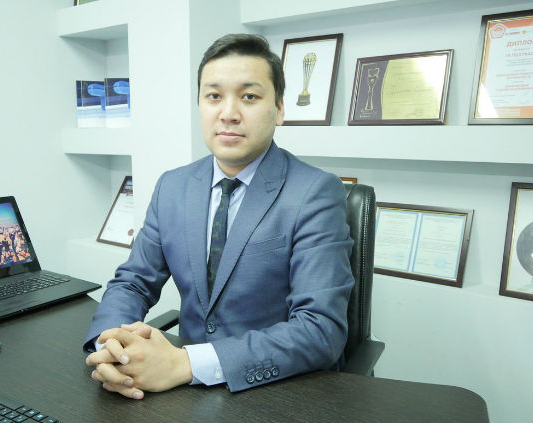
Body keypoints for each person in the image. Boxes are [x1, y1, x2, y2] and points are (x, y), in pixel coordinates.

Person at [84, 33, 354, 399]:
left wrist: (185, 363)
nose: (228, 113)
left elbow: (320, 330)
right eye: (214, 96)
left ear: (279, 109)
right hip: (184, 391)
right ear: (200, 105)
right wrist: (111, 347)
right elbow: (133, 282)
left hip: (276, 390)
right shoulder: (173, 186)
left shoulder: (315, 192)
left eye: (249, 97)